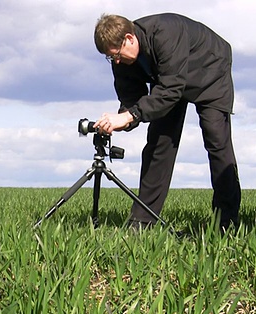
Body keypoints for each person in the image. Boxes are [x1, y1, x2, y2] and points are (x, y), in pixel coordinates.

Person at [93, 13, 241, 230]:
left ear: (129, 38)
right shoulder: (120, 59)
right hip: (169, 82)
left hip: (210, 71)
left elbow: (172, 89)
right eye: (110, 57)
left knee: (216, 141)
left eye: (116, 54)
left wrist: (130, 115)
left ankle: (226, 224)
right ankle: (142, 222)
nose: (115, 61)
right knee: (158, 144)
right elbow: (131, 98)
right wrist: (122, 120)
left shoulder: (165, 33)